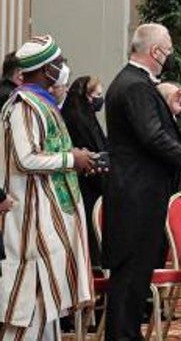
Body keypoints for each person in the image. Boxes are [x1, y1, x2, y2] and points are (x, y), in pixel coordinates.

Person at [103, 24, 181, 341]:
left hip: (135, 191)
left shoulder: (130, 82)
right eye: (167, 50)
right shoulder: (136, 86)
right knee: (131, 273)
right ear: (156, 51)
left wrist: (168, 112)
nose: (168, 56)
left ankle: (127, 334)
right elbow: (151, 135)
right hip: (137, 193)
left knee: (135, 273)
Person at [0, 36, 95, 339]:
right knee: (27, 303)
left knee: (46, 306)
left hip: (46, 217)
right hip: (29, 218)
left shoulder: (43, 103)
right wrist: (72, 158)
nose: (62, 67)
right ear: (44, 70)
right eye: (57, 63)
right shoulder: (23, 106)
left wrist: (75, 157)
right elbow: (26, 158)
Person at [61, 75, 109, 266]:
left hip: (95, 182)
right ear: (87, 96)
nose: (100, 100)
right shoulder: (77, 117)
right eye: (97, 95)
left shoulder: (86, 116)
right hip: (85, 183)